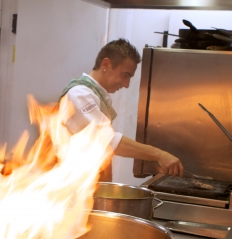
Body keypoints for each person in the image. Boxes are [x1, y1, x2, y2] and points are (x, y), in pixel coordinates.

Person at [61, 39, 183, 180]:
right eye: (125, 75)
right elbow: (107, 139)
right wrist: (159, 155)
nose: (126, 85)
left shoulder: (95, 95)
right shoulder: (79, 94)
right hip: (72, 188)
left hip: (88, 187)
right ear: (105, 64)